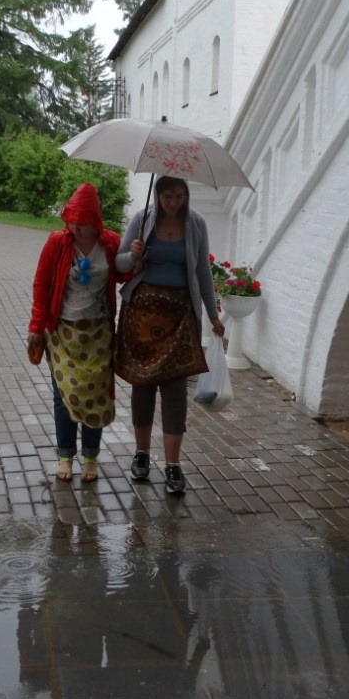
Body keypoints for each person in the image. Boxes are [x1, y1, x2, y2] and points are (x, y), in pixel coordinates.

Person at [114, 175, 225, 495]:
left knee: (175, 391)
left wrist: (214, 314)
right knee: (143, 386)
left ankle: (173, 465)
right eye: (167, 197)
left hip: (180, 316)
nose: (173, 202)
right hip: (143, 315)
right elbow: (120, 262)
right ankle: (142, 455)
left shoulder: (197, 224)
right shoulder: (142, 219)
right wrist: (134, 254)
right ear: (158, 196)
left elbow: (202, 270)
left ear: (186, 195)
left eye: (178, 196)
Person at [28, 183, 127, 483]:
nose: (77, 228)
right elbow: (41, 284)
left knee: (94, 395)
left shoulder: (110, 243)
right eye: (72, 221)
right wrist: (35, 326)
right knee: (63, 396)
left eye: (83, 223)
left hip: (98, 333)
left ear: (95, 221)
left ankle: (91, 458)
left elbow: (123, 274)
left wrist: (135, 257)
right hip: (62, 333)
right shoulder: (57, 243)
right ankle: (65, 456)